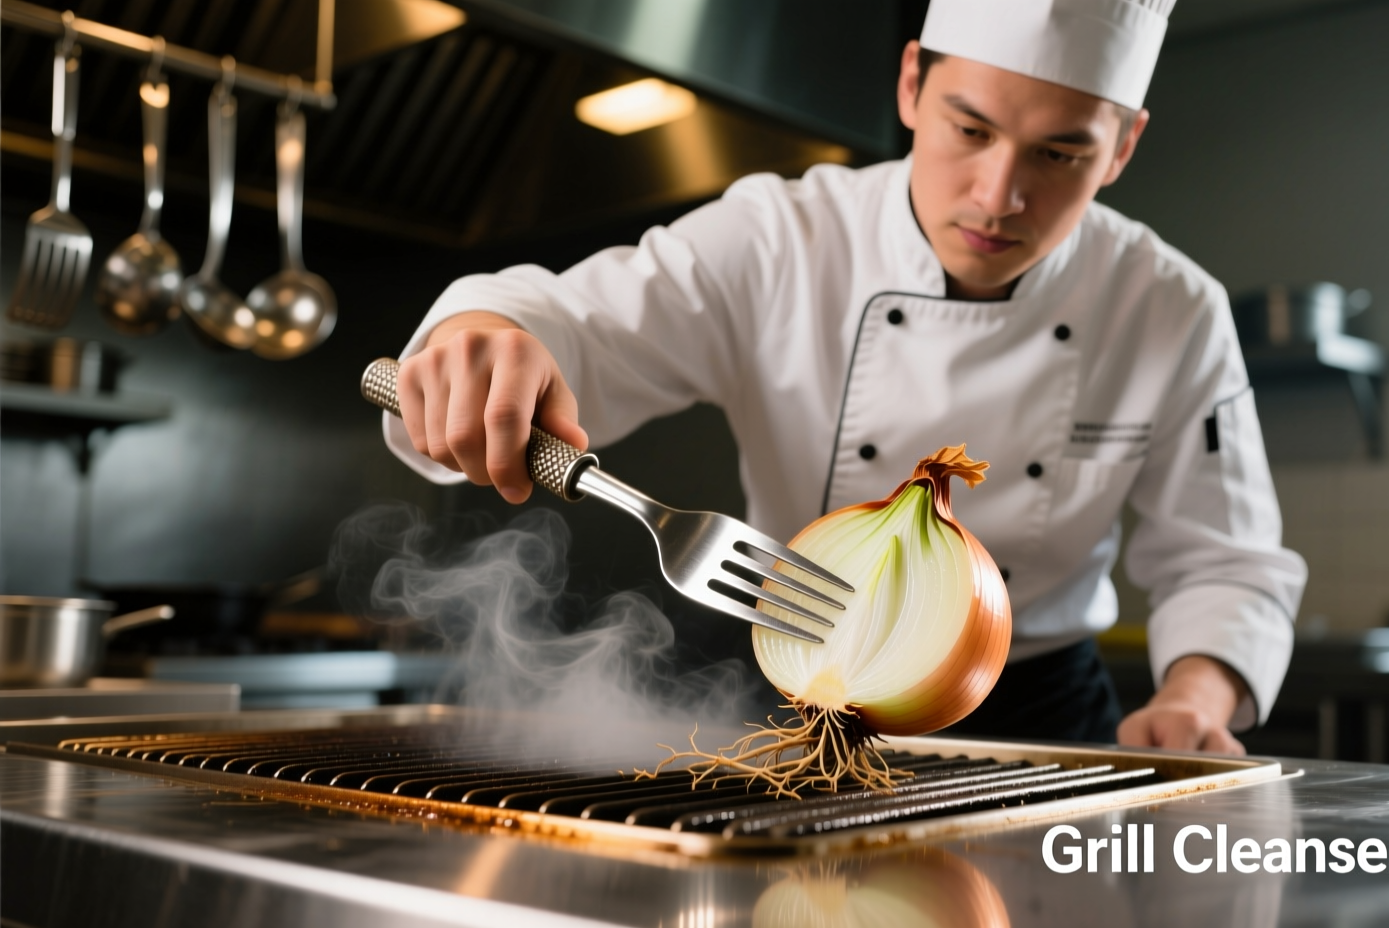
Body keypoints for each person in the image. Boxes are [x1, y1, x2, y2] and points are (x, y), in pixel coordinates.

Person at [384, 0, 1306, 753]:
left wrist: (1198, 696)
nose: (998, 196)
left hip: (1039, 717)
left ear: (1124, 148)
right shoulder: (780, 238)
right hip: (800, 699)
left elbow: (1226, 559)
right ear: (911, 85)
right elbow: (580, 323)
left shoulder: (1171, 307)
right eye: (970, 128)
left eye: (1060, 154)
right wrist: (490, 332)